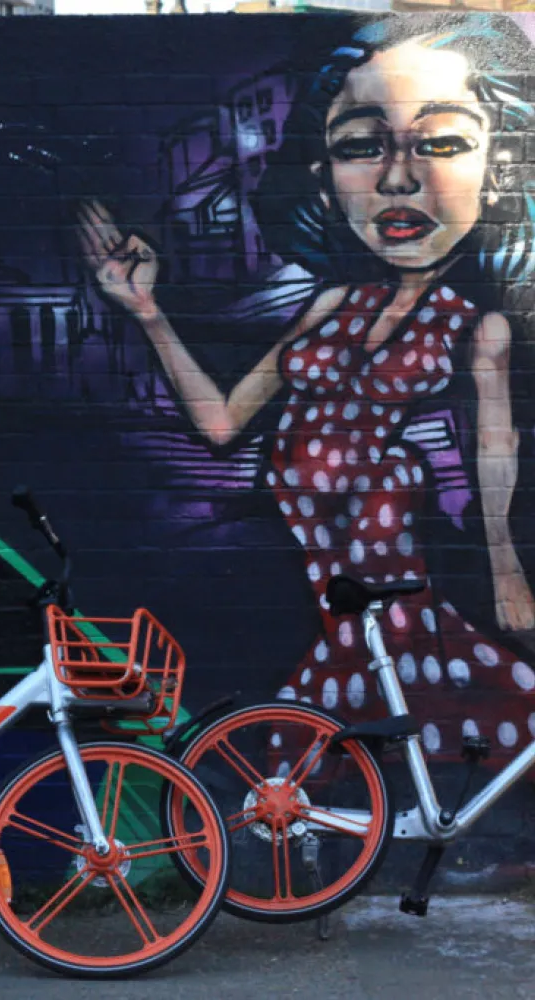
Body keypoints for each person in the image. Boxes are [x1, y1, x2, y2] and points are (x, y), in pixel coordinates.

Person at [77, 13, 535, 760]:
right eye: (360, 146)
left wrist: (507, 570)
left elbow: (496, 448)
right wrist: (148, 313)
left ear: (502, 169)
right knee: (332, 759)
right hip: (342, 620)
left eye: (443, 143)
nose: (398, 179)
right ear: (323, 182)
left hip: (399, 618)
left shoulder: (476, 327)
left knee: (422, 742)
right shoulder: (331, 307)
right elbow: (222, 424)